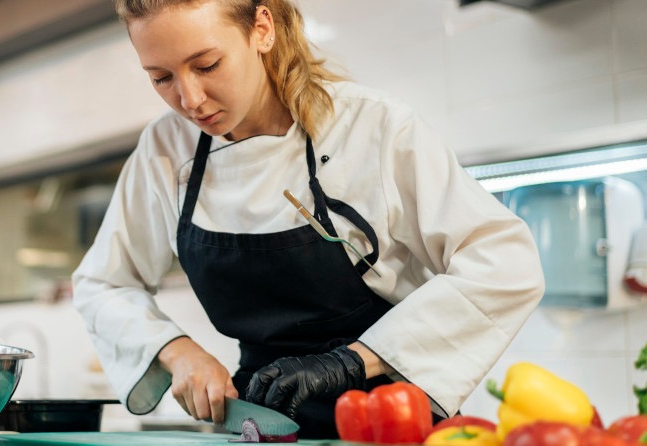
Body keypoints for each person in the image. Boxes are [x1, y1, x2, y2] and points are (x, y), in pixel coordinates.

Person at [72, 0, 545, 439]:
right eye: (161, 78)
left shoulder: (373, 128)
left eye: (207, 65)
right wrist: (178, 353)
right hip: (258, 425)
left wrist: (350, 364)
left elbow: (504, 262)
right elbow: (103, 283)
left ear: (261, 28)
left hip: (392, 421)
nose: (190, 98)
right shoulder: (165, 151)